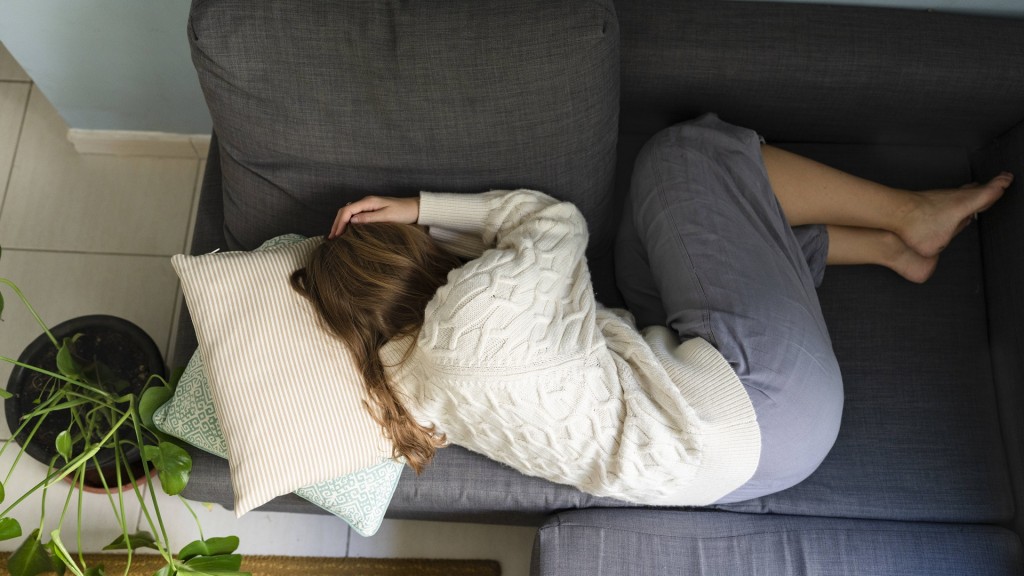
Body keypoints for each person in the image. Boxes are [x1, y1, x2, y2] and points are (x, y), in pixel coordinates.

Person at [291, 115, 1010, 505]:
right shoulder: (475, 303)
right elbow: (553, 220)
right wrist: (425, 206)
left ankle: (892, 253)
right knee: (682, 159)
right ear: (408, 255)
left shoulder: (408, 395)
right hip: (770, 403)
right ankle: (911, 215)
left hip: (735, 475)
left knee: (644, 239)